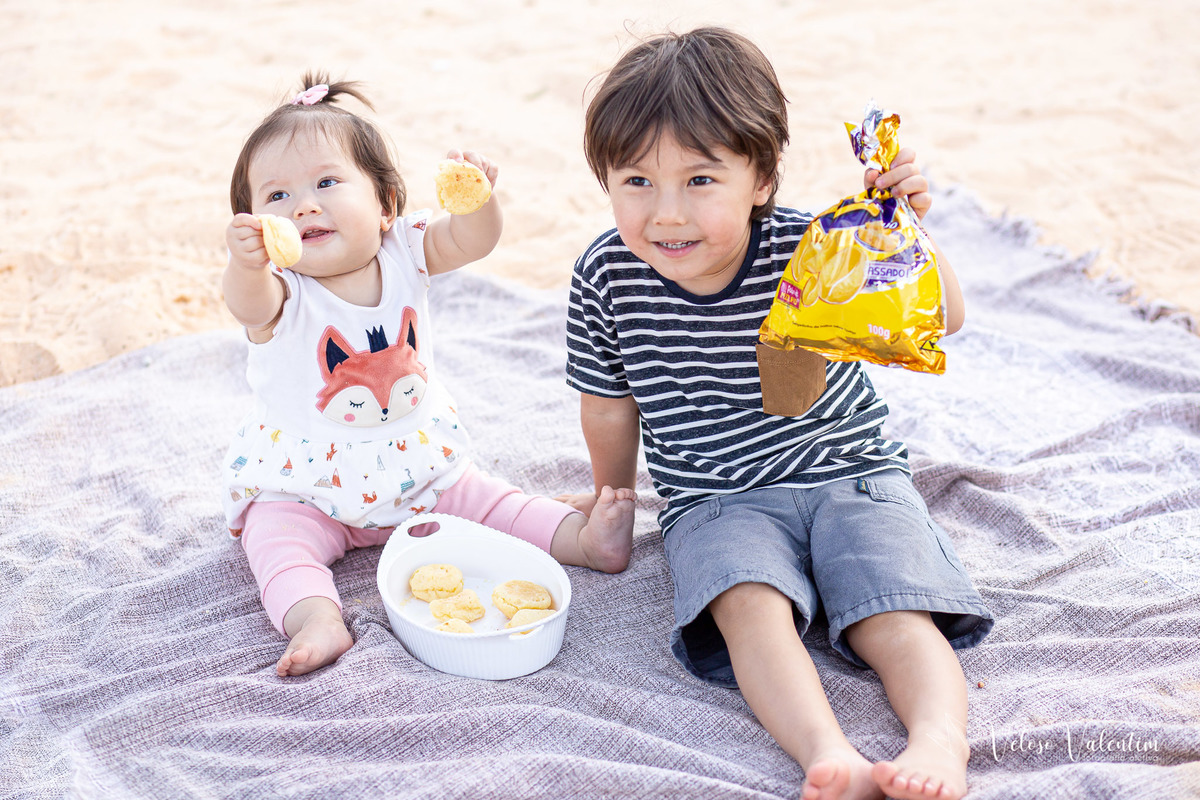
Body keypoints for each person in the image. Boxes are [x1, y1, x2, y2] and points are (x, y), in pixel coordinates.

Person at [560, 29, 993, 800]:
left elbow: (944, 316)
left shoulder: (812, 247)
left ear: (760, 176)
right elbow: (609, 402)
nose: (666, 214)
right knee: (746, 610)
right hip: (716, 497)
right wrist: (612, 493)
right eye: (635, 182)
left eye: (700, 180)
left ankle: (939, 741)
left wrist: (906, 229)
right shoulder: (604, 274)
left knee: (890, 612)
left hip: (850, 474)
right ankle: (829, 753)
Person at [221, 73, 635, 678]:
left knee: (494, 502)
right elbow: (246, 305)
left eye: (327, 183)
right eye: (275, 197)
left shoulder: (404, 249)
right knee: (275, 539)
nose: (302, 205)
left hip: (419, 468)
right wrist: (243, 262)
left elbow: (471, 241)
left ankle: (583, 540)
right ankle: (316, 617)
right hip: (306, 484)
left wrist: (477, 202)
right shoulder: (282, 291)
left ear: (386, 203)